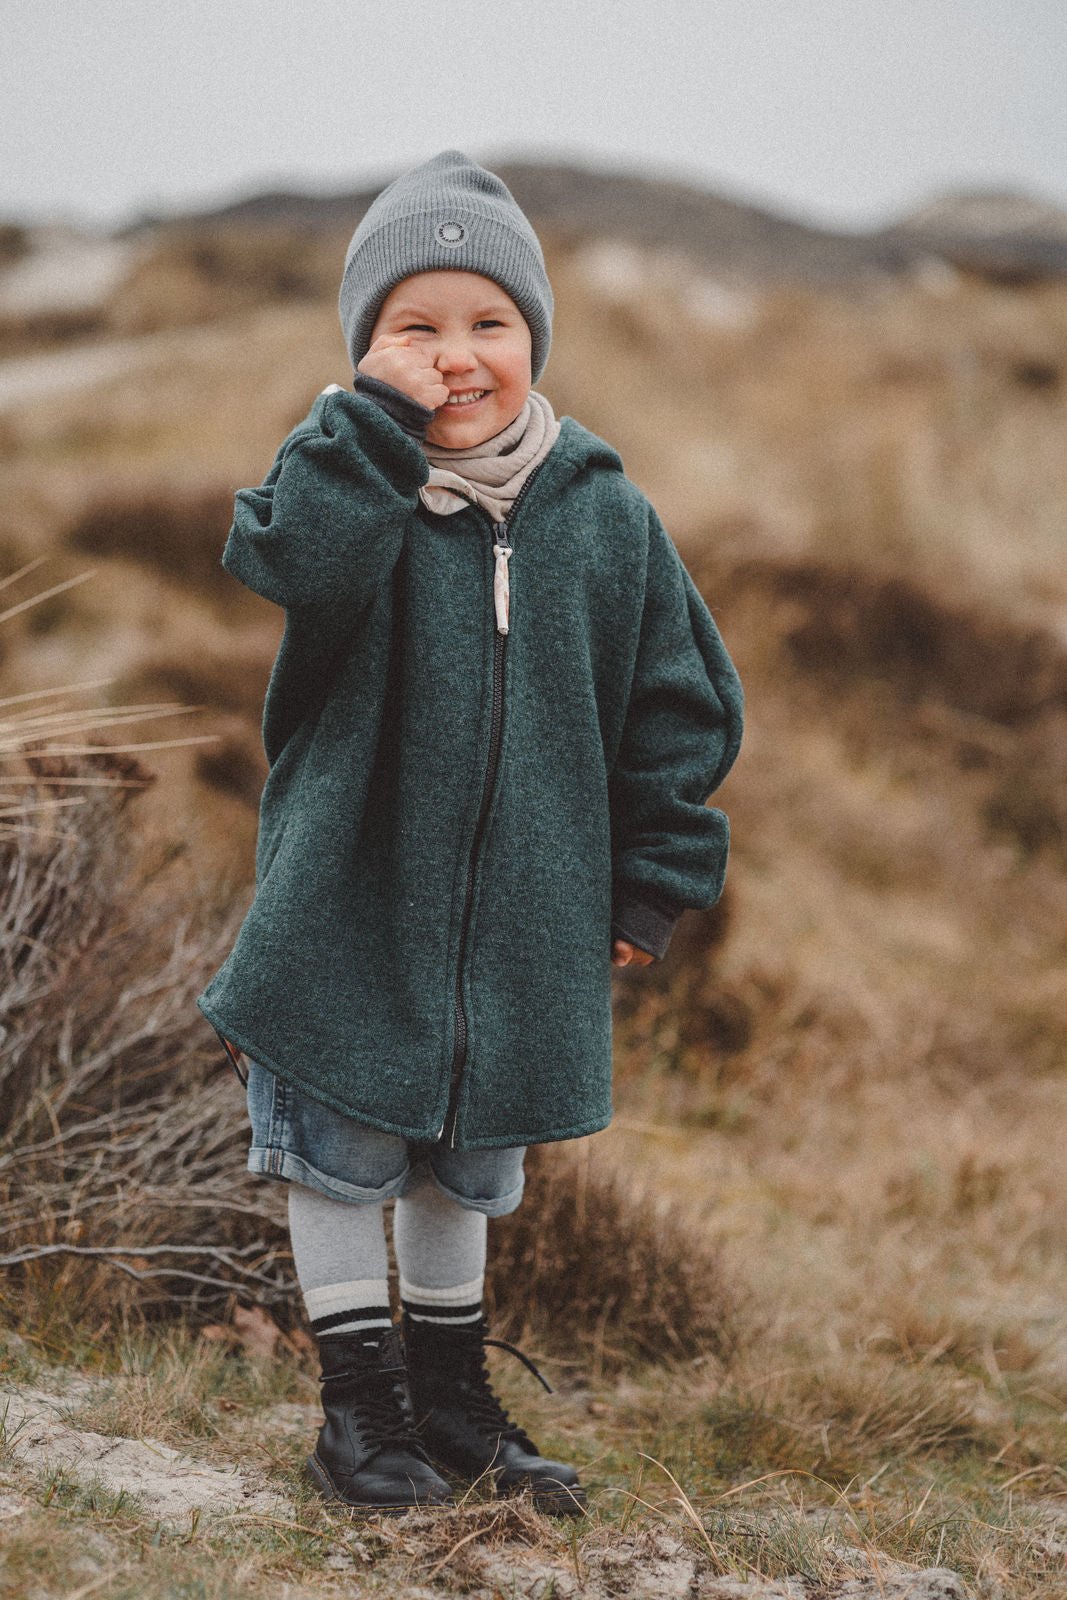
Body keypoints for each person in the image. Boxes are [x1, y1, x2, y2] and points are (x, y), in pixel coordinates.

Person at [196, 150, 744, 1517]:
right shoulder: (343, 485)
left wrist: (649, 880)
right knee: (341, 1144)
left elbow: (679, 709)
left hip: (527, 915)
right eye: (414, 327)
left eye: (487, 322)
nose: (454, 355)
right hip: (353, 891)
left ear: (534, 340)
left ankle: (451, 1409)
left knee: (467, 1156)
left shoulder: (606, 517)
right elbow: (288, 558)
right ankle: (358, 1416)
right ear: (366, 348)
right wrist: (364, 431)